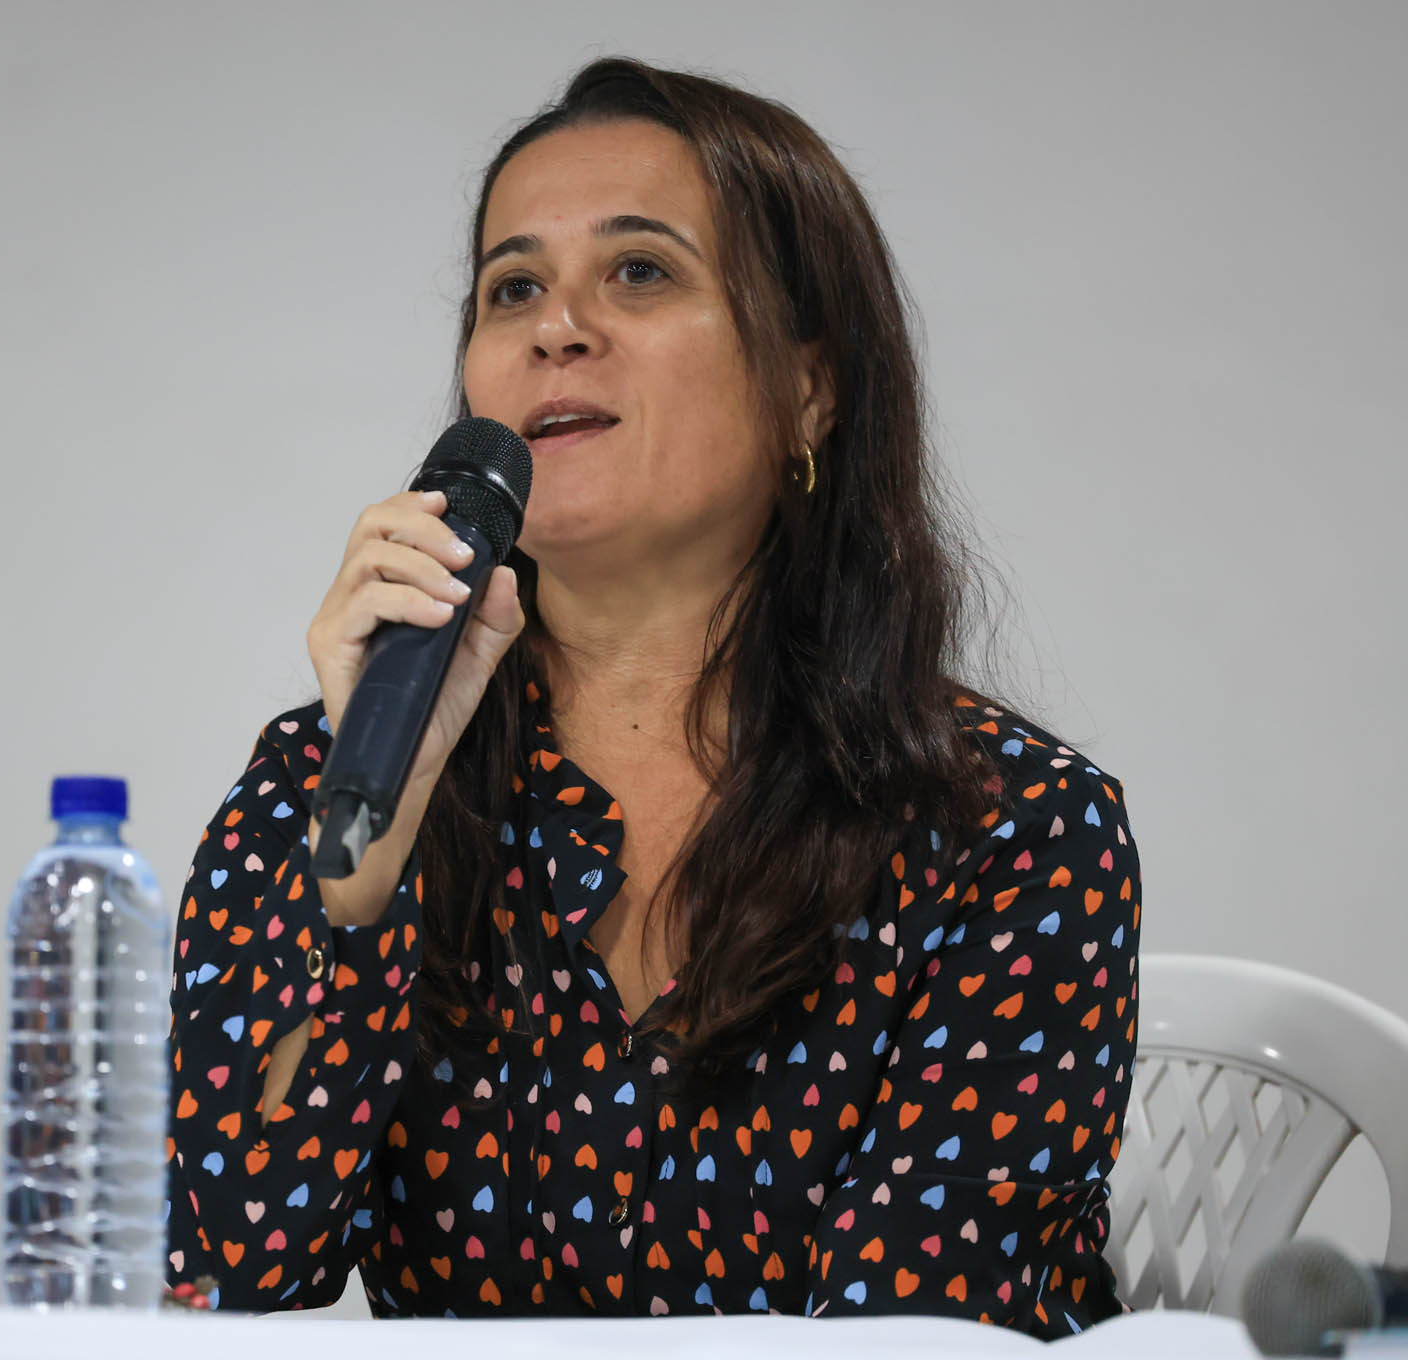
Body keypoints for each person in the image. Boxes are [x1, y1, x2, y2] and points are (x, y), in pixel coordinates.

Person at [164, 56, 1139, 1336]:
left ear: (809, 389)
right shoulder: (330, 773)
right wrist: (362, 875)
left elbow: (916, 1331)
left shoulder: (1009, 826)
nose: (556, 327)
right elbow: (226, 1270)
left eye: (639, 270)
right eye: (513, 288)